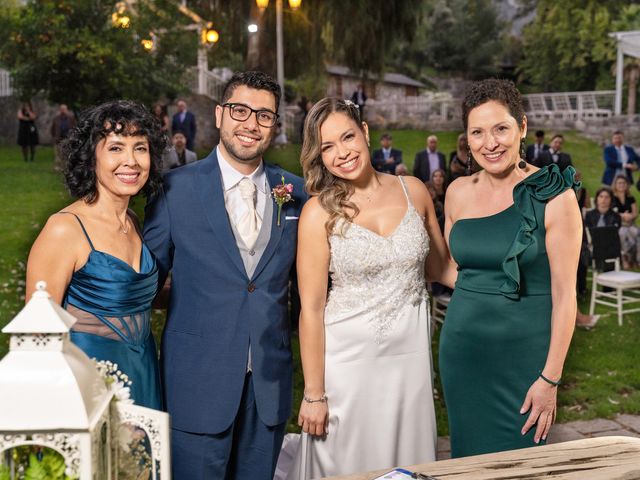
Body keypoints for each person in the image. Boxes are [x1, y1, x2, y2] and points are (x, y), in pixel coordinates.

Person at [144, 71, 307, 480]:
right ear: (219, 115)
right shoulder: (174, 190)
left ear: (274, 126)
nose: (251, 124)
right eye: (240, 110)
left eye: (264, 116)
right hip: (197, 382)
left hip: (268, 386)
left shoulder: (297, 192)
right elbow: (144, 284)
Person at [287, 97, 452, 479]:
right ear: (318, 155)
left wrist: (507, 276)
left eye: (347, 137)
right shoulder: (318, 214)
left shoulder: (415, 191)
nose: (342, 153)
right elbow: (310, 309)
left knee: (407, 465)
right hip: (347, 367)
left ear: (365, 132)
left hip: (409, 363)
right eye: (328, 146)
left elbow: (443, 269)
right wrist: (314, 394)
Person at [440, 79, 582, 458]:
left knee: (520, 462)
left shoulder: (555, 195)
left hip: (524, 355)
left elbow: (566, 296)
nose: (491, 143)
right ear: (466, 139)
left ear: (521, 126)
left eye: (501, 128)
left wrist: (550, 377)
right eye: (478, 132)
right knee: (467, 460)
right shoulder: (456, 192)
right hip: (463, 349)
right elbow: (456, 271)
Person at [25, 100, 167, 409]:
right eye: (116, 148)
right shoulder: (65, 230)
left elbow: (135, 296)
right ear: (92, 158)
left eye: (140, 148)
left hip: (143, 375)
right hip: (88, 386)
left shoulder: (133, 223)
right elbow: (37, 335)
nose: (131, 161)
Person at [611, 175, 639, 268]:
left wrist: (630, 216)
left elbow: (635, 213)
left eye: (623, 183)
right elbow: (611, 213)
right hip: (618, 225)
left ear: (627, 185)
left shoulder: (630, 198)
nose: (621, 185)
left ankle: (632, 258)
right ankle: (625, 258)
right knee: (622, 233)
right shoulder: (612, 198)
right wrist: (622, 216)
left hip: (630, 224)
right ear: (615, 184)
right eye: (619, 183)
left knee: (635, 232)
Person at [51, 104, 76, 168]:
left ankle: (66, 167)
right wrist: (54, 137)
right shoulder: (56, 118)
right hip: (58, 139)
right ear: (59, 110)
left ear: (67, 110)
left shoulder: (71, 118)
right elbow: (52, 129)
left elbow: (74, 128)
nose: (63, 111)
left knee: (67, 153)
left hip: (68, 138)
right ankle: (58, 167)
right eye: (61, 109)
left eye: (64, 109)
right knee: (58, 154)